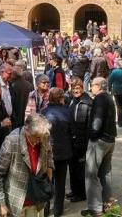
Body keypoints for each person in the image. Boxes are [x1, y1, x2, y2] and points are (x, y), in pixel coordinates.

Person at [0, 113, 54, 217]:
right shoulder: (12, 141)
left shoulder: (43, 135)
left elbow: (49, 154)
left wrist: (49, 174)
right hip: (16, 202)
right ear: (27, 131)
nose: (39, 141)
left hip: (37, 199)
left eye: (41, 138)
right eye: (36, 137)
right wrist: (1, 204)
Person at [81, 76, 117, 217]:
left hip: (100, 141)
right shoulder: (108, 97)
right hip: (110, 140)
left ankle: (95, 208)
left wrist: (92, 134)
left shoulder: (100, 99)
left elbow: (97, 120)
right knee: (105, 173)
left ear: (99, 86)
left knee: (91, 175)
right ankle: (108, 205)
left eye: (92, 85)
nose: (91, 87)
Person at [43, 88, 72, 217]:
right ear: (61, 98)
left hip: (48, 152)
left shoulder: (44, 112)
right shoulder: (67, 112)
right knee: (60, 183)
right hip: (63, 152)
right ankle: (57, 211)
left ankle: (45, 209)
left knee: (47, 181)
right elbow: (72, 132)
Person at [67, 77, 93, 203]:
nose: (76, 90)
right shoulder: (73, 100)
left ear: (82, 88)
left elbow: (89, 126)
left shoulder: (87, 103)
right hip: (73, 141)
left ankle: (81, 193)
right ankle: (74, 190)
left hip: (82, 142)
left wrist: (86, 144)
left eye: (78, 88)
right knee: (72, 168)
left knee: (80, 169)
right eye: (73, 88)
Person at [10, 62, 34, 129]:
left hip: (16, 119)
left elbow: (11, 103)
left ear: (14, 75)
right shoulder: (30, 85)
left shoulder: (13, 86)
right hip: (27, 117)